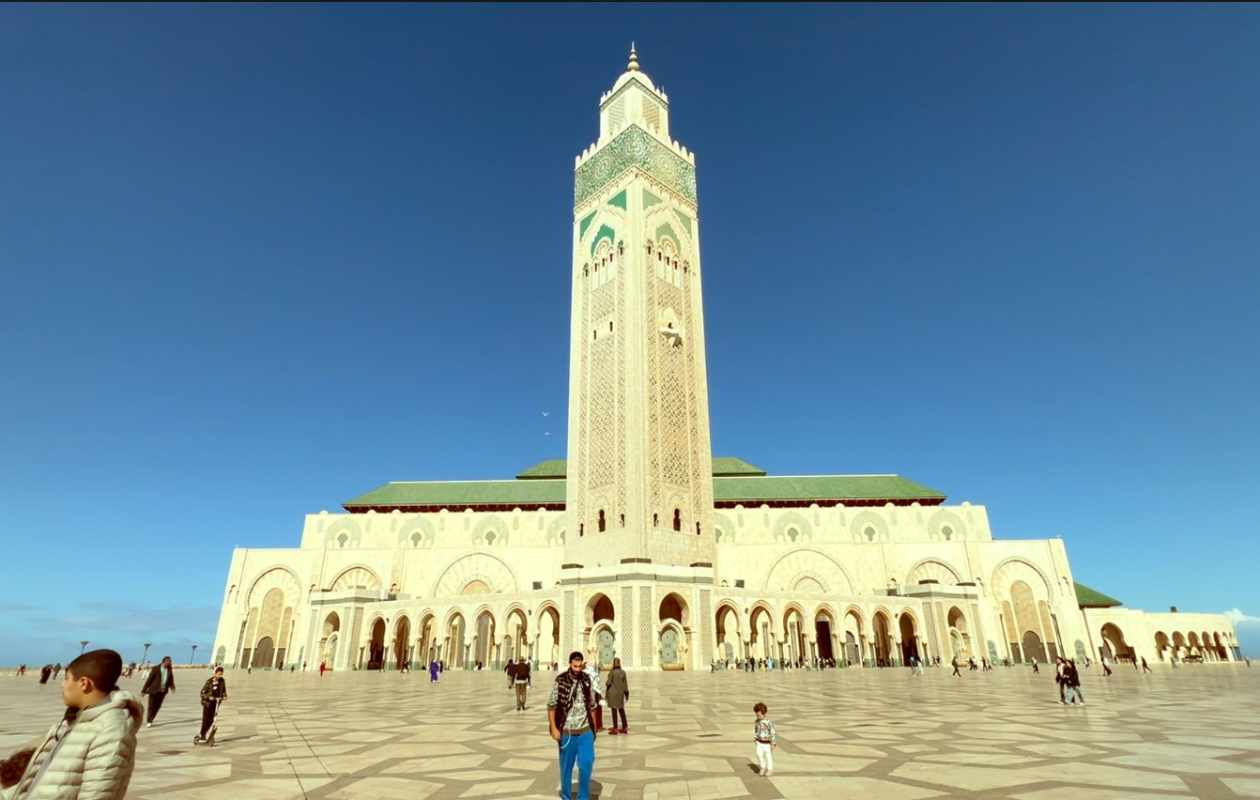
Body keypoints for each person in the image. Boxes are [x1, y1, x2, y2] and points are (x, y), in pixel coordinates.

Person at [5, 648, 141, 799]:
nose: (63, 684)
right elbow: (40, 780)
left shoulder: (111, 731)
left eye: (66, 679)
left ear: (84, 683)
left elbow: (97, 795)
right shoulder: (76, 717)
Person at [547, 651, 597, 800]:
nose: (577, 669)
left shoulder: (586, 680)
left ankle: (583, 797)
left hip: (585, 730)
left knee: (587, 762)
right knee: (566, 768)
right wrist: (554, 727)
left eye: (580, 666)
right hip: (567, 732)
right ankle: (566, 796)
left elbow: (592, 705)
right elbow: (551, 705)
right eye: (575, 666)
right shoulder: (560, 680)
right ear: (570, 663)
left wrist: (594, 728)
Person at [140, 656, 176, 727]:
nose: (169, 663)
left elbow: (171, 679)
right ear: (164, 662)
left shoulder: (169, 669)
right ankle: (149, 720)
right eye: (168, 661)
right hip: (153, 690)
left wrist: (172, 687)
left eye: (170, 662)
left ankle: (151, 720)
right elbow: (149, 680)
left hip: (163, 691)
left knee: (157, 706)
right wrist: (143, 690)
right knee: (151, 706)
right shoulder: (156, 668)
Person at [197, 667, 228, 743]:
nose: (220, 676)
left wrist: (224, 696)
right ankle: (202, 735)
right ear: (215, 673)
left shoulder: (222, 681)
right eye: (219, 674)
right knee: (205, 720)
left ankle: (203, 733)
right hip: (207, 704)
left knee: (211, 720)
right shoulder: (209, 682)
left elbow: (223, 690)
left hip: (216, 703)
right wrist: (208, 697)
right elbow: (202, 693)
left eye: (221, 674)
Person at [752, 702, 777, 777]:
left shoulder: (768, 722)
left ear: (764, 713)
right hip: (759, 741)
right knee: (758, 754)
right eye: (757, 715)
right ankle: (763, 767)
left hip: (767, 742)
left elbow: (772, 732)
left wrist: (773, 742)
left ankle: (770, 769)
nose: (759, 717)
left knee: (768, 756)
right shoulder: (757, 721)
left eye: (760, 715)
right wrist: (755, 738)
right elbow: (756, 730)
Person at [604, 658, 628, 734]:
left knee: (614, 710)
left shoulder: (612, 672)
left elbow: (608, 683)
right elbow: (625, 685)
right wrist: (626, 694)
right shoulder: (623, 672)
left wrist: (606, 683)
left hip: (613, 693)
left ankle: (615, 728)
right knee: (621, 709)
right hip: (620, 693)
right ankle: (625, 727)